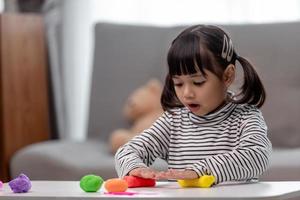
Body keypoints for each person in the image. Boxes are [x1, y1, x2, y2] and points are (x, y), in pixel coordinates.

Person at [115, 25, 272, 184]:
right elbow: (127, 152)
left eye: (198, 82)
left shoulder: (246, 117)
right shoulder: (173, 121)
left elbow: (257, 155)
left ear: (227, 76)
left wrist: (199, 171)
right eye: (178, 84)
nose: (187, 94)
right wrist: (136, 168)